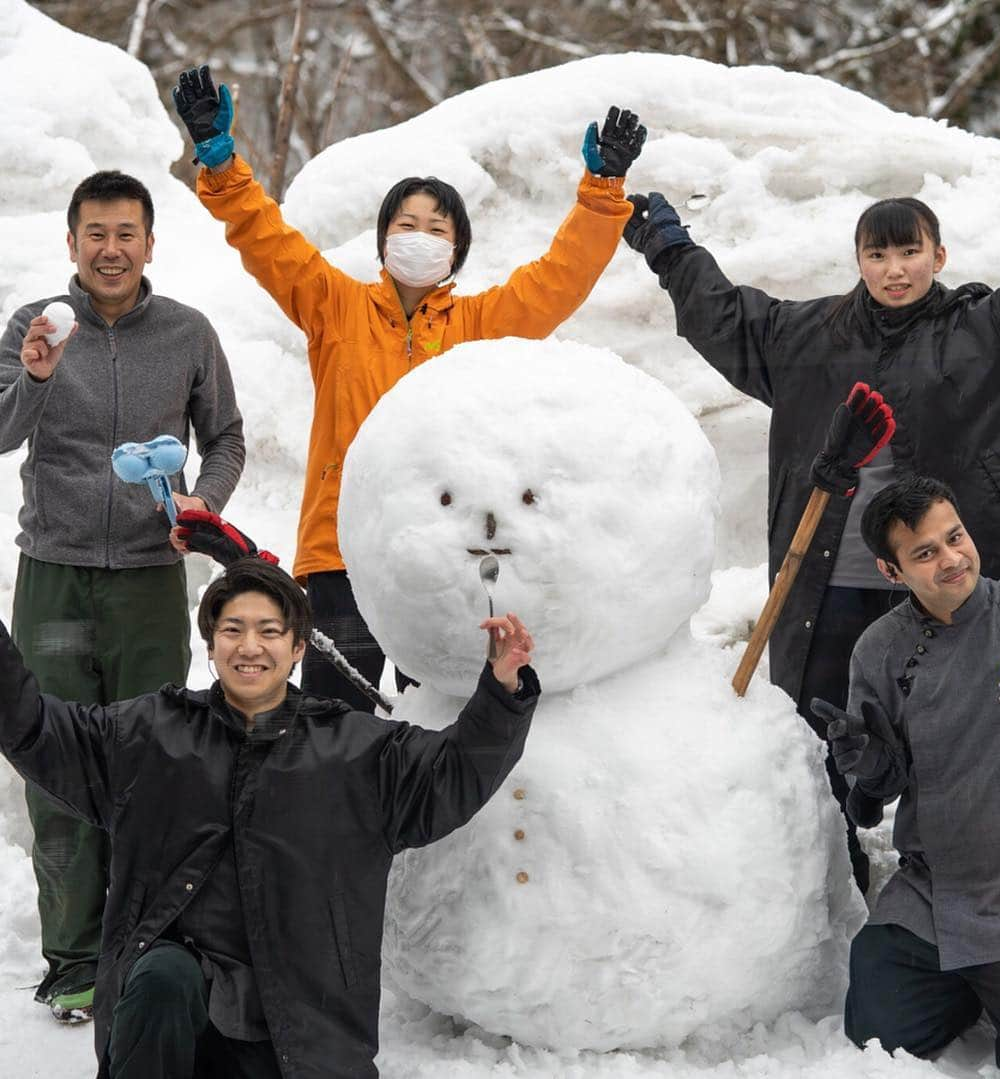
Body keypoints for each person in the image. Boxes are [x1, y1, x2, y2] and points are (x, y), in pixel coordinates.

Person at [623, 189, 1000, 892]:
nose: (895, 268)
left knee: (972, 740)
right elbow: (724, 317)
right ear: (859, 261)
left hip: (953, 593)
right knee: (825, 744)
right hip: (833, 590)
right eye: (878, 253)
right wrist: (667, 244)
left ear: (939, 254)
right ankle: (826, 883)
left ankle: (976, 889)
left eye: (909, 251)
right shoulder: (812, 337)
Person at [171, 64, 642, 713]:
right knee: (336, 727)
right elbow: (268, 240)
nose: (420, 236)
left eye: (438, 228)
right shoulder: (334, 307)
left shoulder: (480, 325)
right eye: (407, 224)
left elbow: (556, 281)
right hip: (340, 558)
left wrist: (600, 193)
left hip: (440, 561)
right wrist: (222, 164)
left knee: (434, 727)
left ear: (458, 249)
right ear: (384, 239)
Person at [0, 555, 537, 1078]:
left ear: (298, 646)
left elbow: (454, 773)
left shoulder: (357, 753)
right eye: (233, 629)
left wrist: (502, 690)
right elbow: (36, 729)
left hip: (301, 1031)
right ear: (211, 643)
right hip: (174, 1024)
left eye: (269, 631)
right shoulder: (149, 735)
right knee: (162, 975)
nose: (249, 647)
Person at [0, 170, 245, 1022]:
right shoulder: (38, 326)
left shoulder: (186, 333)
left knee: (150, 757)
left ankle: (142, 943)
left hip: (149, 575)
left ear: (149, 241)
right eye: (95, 233)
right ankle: (71, 960)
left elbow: (225, 436)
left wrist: (203, 500)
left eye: (126, 233)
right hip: (55, 573)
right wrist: (34, 376)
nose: (111, 248)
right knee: (56, 760)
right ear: (71, 243)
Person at [810, 475, 1000, 1077]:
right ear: (891, 570)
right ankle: (973, 986)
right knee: (878, 1029)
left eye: (954, 537)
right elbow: (879, 789)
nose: (952, 558)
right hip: (936, 889)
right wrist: (868, 762)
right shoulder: (879, 651)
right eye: (925, 553)